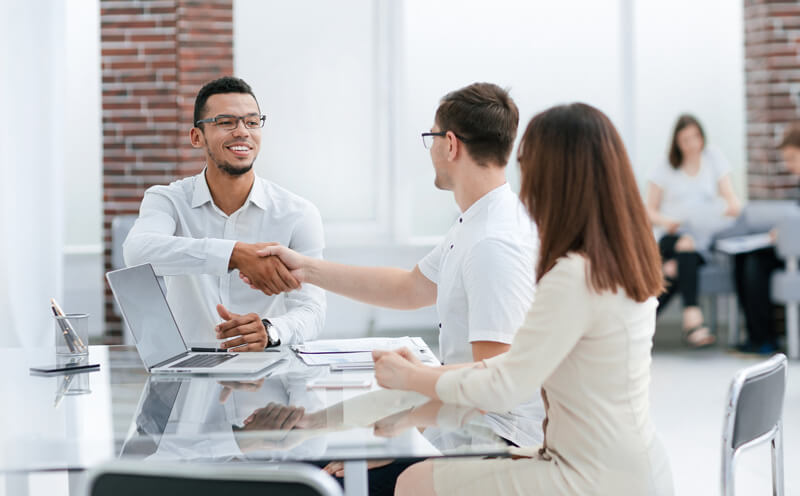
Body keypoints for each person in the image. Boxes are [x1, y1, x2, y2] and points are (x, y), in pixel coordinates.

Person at [252, 83, 544, 491]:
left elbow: (493, 382)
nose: (430, 151)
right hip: (461, 423)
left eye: (432, 138)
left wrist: (405, 428)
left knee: (314, 477)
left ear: (451, 145)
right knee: (310, 453)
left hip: (492, 444)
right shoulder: (477, 223)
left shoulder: (493, 243)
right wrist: (306, 270)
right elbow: (410, 287)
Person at [370, 103, 674, 496]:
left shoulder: (573, 275)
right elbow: (511, 369)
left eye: (529, 168)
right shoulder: (623, 259)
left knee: (414, 483)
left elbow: (505, 384)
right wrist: (412, 411)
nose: (525, 186)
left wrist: (412, 378)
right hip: (630, 463)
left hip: (592, 476)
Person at [123, 76, 325, 351]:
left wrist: (271, 330)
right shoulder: (167, 200)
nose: (242, 131)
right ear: (197, 137)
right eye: (226, 122)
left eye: (252, 122)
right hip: (190, 375)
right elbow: (137, 251)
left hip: (268, 372)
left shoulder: (298, 213)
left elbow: (312, 310)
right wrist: (235, 254)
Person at [645, 114, 741, 348]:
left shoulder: (713, 157)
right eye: (685, 140)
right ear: (677, 142)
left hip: (700, 239)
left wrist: (728, 210)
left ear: (702, 137)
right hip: (669, 236)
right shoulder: (664, 164)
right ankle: (693, 320)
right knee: (683, 244)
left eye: (695, 138)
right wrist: (668, 222)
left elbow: (732, 200)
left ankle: (642, 326)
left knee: (674, 267)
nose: (691, 145)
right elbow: (649, 210)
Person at [732, 123, 800, 354]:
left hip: (796, 253)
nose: (789, 165)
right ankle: (756, 335)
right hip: (790, 247)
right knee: (742, 258)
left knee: (755, 262)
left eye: (792, 157)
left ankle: (766, 339)